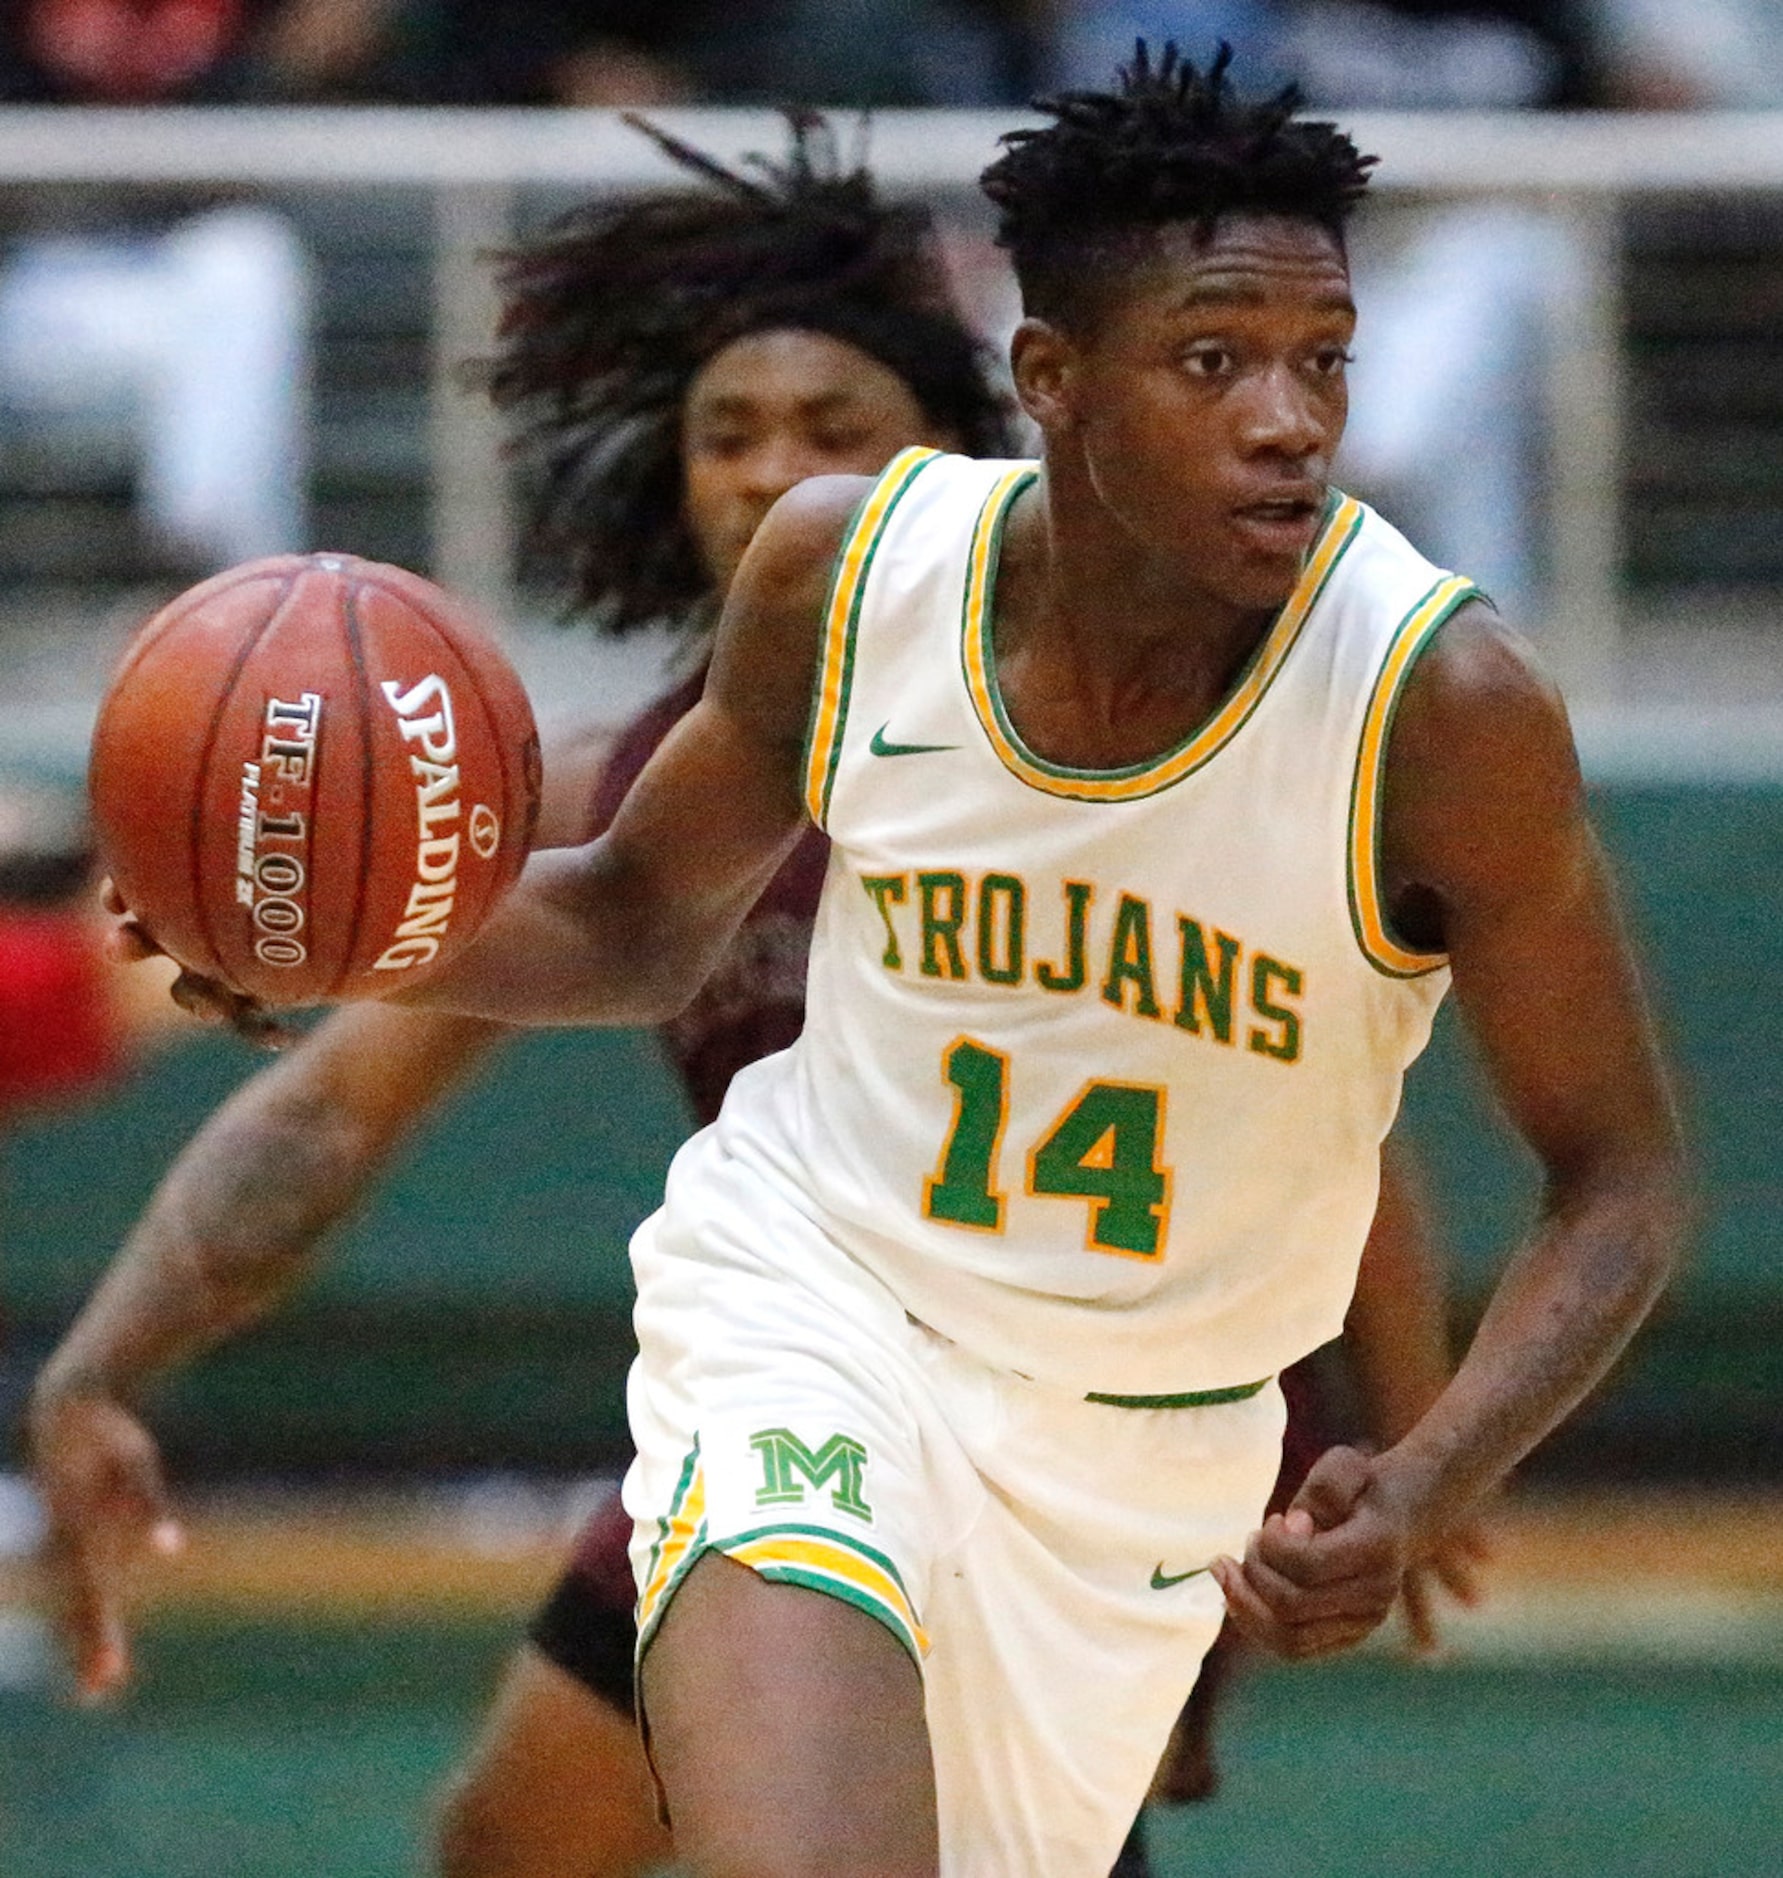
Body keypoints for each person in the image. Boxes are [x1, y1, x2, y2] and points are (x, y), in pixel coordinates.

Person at [270, 43, 1678, 1877]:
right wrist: (340, 921)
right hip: (821, 1305)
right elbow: (631, 915)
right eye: (1212, 358)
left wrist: (1426, 1474)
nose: (1290, 418)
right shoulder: (849, 574)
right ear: (1050, 379)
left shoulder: (1441, 705)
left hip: (1143, 1457)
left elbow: (1622, 1175)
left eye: (1321, 358)